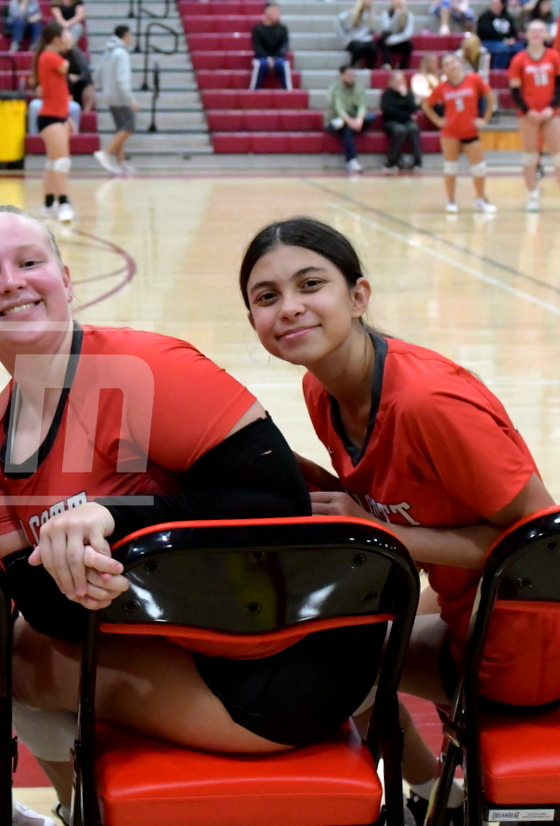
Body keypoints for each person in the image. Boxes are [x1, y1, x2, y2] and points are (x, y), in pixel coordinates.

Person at [0, 206, 372, 826]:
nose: (12, 282)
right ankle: (77, 805)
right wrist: (87, 573)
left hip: (287, 660)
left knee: (10, 663)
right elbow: (42, 604)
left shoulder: (149, 367)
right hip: (182, 643)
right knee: (5, 647)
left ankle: (80, 807)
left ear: (66, 280)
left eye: (29, 262)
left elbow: (278, 504)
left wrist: (113, 519)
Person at [239, 216, 558, 826]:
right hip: (471, 603)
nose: (290, 307)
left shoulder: (427, 403)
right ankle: (441, 795)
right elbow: (381, 497)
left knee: (325, 660)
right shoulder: (321, 391)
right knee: (330, 628)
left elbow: (541, 547)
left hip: (529, 644)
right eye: (267, 296)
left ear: (359, 296)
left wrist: (384, 534)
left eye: (311, 284)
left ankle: (439, 794)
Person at [423, 52, 498, 212]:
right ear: (443, 70)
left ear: (460, 63)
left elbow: (491, 97)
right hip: (450, 133)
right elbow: (426, 105)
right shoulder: (442, 87)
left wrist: (485, 119)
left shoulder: (474, 80)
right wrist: (438, 121)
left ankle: (480, 199)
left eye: (453, 62)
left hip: (470, 131)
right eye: (446, 64)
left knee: (479, 168)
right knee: (450, 167)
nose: (451, 66)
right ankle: (451, 200)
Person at [510, 19, 560, 209]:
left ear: (546, 34)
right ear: (527, 34)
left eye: (540, 30)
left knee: (558, 156)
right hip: (528, 115)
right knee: (530, 156)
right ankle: (532, 195)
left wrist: (551, 108)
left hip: (550, 113)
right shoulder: (519, 59)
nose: (537, 34)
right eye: (533, 31)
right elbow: (515, 90)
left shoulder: (554, 57)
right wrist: (528, 111)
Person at [34, 22, 74, 222]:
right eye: (64, 35)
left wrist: (67, 117)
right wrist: (70, 47)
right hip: (50, 116)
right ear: (56, 38)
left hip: (59, 115)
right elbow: (70, 66)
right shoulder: (50, 57)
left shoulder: (49, 56)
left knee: (53, 161)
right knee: (62, 162)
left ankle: (49, 204)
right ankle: (64, 203)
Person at [94, 24, 138, 175]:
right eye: (130, 35)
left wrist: (102, 87)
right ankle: (106, 153)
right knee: (129, 126)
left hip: (109, 94)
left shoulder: (108, 51)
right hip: (120, 96)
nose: (131, 38)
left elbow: (98, 73)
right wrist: (130, 99)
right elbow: (121, 80)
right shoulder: (121, 53)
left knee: (120, 128)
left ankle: (121, 162)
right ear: (125, 36)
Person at [324, 65, 376, 173]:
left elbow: (363, 105)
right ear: (341, 76)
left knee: (371, 116)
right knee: (348, 129)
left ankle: (351, 161)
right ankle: (351, 161)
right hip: (335, 121)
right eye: (349, 75)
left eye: (353, 75)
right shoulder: (335, 89)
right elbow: (339, 109)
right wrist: (350, 122)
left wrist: (359, 120)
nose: (351, 78)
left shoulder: (358, 88)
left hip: (354, 119)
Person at [380, 69, 423, 170]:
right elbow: (388, 111)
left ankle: (417, 161)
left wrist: (406, 97)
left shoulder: (408, 93)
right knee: (400, 130)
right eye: (397, 81)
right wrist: (407, 115)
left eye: (402, 81)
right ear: (391, 82)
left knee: (414, 128)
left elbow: (413, 109)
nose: (400, 84)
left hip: (406, 122)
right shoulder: (386, 95)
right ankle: (391, 161)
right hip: (390, 122)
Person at [250, 2, 293, 90]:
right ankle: (253, 90)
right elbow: (257, 47)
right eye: (274, 11)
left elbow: (284, 46)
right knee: (260, 64)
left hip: (278, 56)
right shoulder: (257, 29)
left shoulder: (282, 29)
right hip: (262, 57)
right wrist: (268, 58)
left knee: (283, 64)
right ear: (267, 13)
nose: (277, 14)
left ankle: (288, 91)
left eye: (278, 11)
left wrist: (275, 58)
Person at [478, 0, 523, 68]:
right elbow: (485, 33)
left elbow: (513, 31)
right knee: (502, 48)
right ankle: (498, 71)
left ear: (502, 6)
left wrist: (512, 39)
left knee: (519, 47)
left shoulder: (507, 17)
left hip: (506, 42)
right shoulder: (484, 17)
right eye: (493, 4)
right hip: (489, 41)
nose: (495, 6)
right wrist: (502, 39)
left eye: (497, 4)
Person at [338, 0, 378, 69]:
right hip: (353, 39)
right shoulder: (352, 12)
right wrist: (344, 38)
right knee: (359, 47)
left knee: (373, 49)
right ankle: (352, 65)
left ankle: (368, 67)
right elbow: (340, 20)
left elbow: (371, 28)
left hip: (365, 39)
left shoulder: (370, 14)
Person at [63, 30, 95, 112]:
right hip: (64, 84)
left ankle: (86, 111)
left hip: (78, 85)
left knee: (89, 87)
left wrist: (77, 78)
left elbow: (85, 70)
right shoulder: (54, 53)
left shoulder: (75, 52)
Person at [377, 0, 415, 68]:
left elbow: (408, 34)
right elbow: (387, 28)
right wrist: (396, 16)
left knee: (409, 44)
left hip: (399, 41)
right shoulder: (386, 13)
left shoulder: (408, 15)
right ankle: (386, 64)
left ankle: (403, 65)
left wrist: (394, 40)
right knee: (384, 37)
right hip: (388, 40)